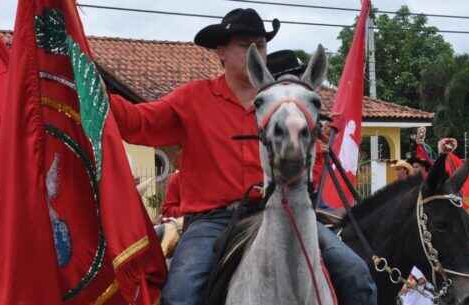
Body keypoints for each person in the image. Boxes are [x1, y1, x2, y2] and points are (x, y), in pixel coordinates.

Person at [108, 9, 375, 305]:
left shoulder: (285, 105)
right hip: (213, 221)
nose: (256, 52)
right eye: (245, 45)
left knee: (358, 277)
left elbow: (310, 167)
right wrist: (94, 93)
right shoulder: (193, 99)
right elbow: (136, 123)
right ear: (220, 51)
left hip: (283, 211)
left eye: (260, 45)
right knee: (179, 295)